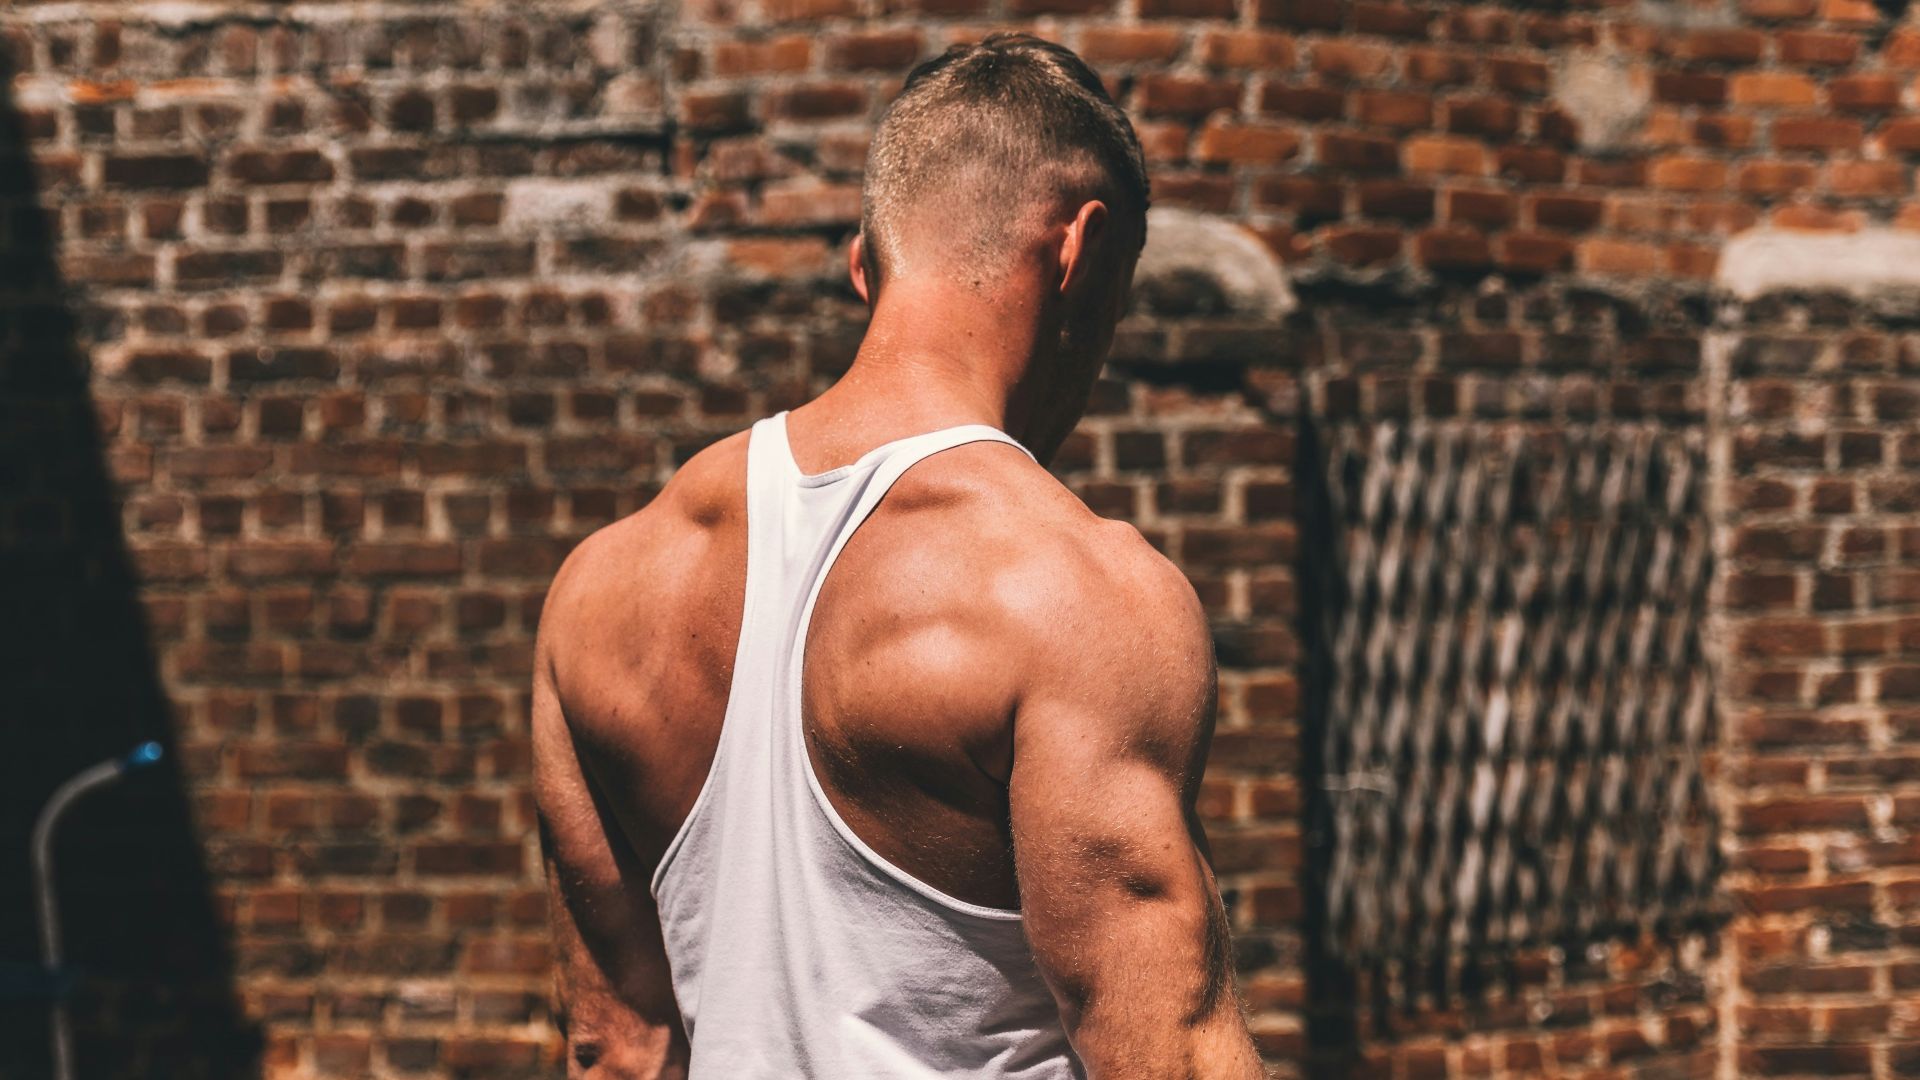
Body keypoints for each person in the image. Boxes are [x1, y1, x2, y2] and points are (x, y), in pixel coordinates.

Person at [530, 31, 1267, 1079]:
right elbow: (1169, 1055)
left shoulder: (600, 588)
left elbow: (614, 1048)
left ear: (865, 265)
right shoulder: (1070, 589)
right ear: (1081, 254)